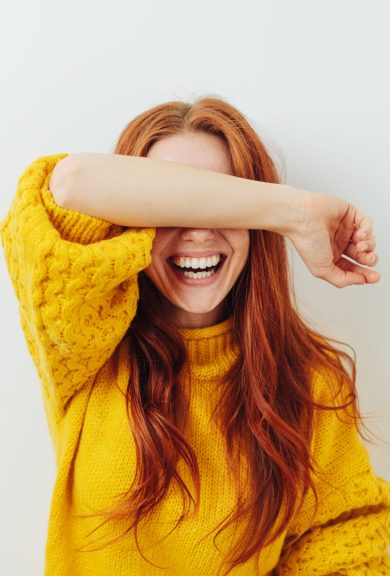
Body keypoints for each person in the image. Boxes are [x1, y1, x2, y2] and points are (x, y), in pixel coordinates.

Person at [0, 96, 389, 576]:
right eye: (171, 203)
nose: (199, 234)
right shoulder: (87, 344)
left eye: (221, 202)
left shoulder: (310, 382)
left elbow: (339, 543)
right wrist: (296, 211)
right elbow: (71, 184)